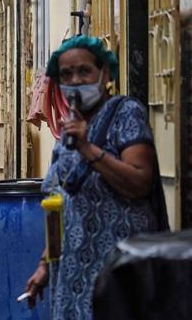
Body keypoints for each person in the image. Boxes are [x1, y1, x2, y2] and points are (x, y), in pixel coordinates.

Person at [24, 36, 169, 319]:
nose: (75, 81)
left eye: (84, 71)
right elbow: (59, 204)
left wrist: (87, 148)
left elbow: (141, 182)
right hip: (71, 273)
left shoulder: (126, 114)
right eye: (66, 74)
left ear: (105, 74)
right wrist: (44, 263)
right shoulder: (66, 130)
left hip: (118, 271)